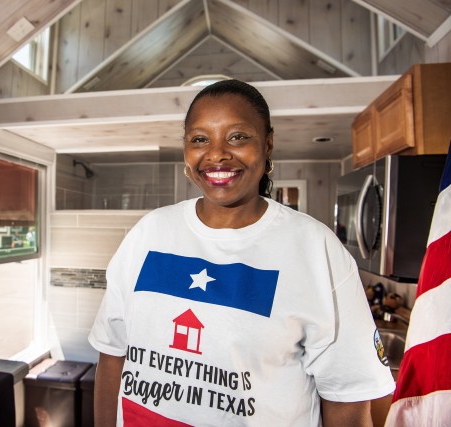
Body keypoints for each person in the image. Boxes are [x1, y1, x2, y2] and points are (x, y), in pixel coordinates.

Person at [88, 79, 395, 426]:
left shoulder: (315, 249)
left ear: (267, 144)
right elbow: (113, 354)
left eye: (237, 137)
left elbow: (348, 401)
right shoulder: (148, 233)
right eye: (200, 139)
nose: (216, 153)